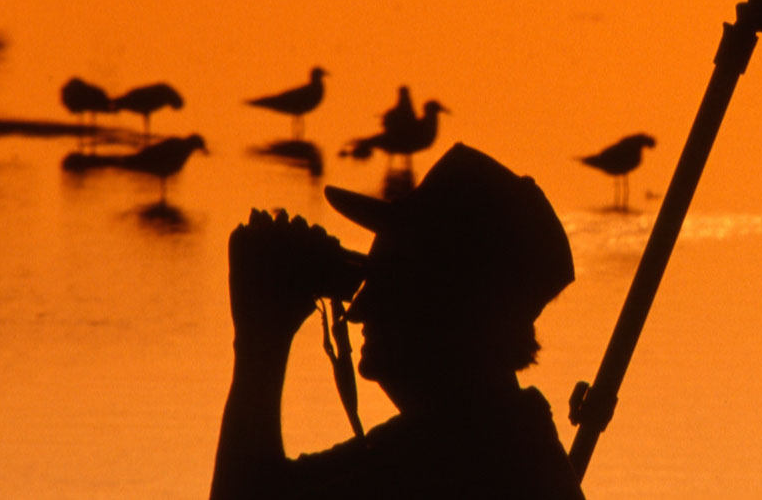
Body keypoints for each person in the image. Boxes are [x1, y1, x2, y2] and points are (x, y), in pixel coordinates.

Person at [209, 142, 586, 499]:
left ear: (450, 306)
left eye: (391, 280)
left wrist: (261, 342)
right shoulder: (500, 436)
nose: (358, 311)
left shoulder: (457, 456)